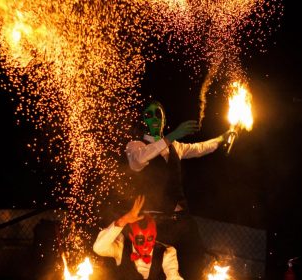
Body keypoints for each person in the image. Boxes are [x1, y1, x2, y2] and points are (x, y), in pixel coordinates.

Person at [125, 100, 230, 280]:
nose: (154, 118)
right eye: (149, 115)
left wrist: (222, 138)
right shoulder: (136, 146)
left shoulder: (176, 147)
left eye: (158, 113)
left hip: (182, 220)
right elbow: (138, 161)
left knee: (194, 264)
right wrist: (173, 135)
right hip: (154, 224)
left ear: (164, 119)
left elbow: (201, 148)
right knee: (157, 272)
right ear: (144, 121)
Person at [93, 195, 184, 280]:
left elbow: (174, 277)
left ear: (155, 235)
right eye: (140, 240)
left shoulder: (167, 252)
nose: (145, 245)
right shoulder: (121, 247)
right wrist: (123, 220)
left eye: (150, 239)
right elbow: (99, 248)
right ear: (132, 237)